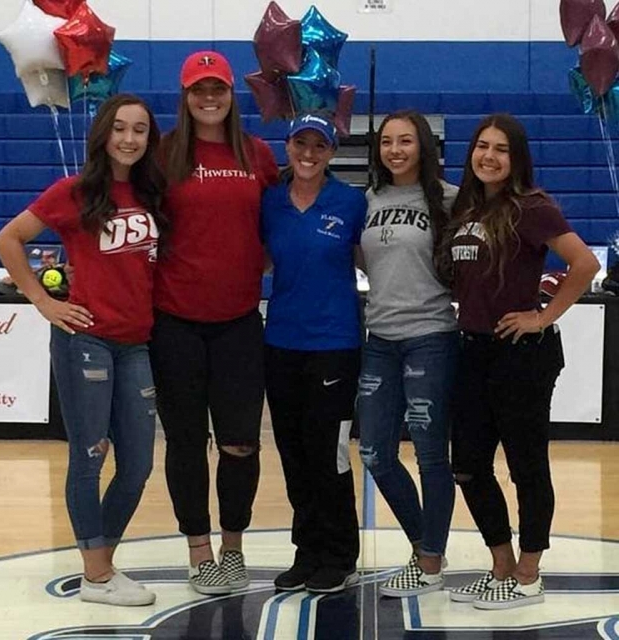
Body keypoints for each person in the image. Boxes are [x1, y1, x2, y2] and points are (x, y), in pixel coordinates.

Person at [0, 94, 168, 606]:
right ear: (103, 135)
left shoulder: (152, 194)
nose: (129, 139)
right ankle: (96, 575)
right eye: (120, 128)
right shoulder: (75, 191)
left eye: (139, 130)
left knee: (136, 464)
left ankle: (102, 563)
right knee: (89, 457)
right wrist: (44, 301)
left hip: (136, 344)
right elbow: (9, 239)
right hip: (85, 340)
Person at [446, 113, 599, 609]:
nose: (489, 156)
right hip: (472, 350)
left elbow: (585, 264)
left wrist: (542, 316)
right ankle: (501, 564)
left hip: (521, 354)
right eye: (482, 146)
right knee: (467, 464)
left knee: (526, 466)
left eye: (501, 149)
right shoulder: (466, 209)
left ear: (516, 159)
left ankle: (529, 572)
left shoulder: (532, 208)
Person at [149, 50, 278, 595]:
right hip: (174, 322)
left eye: (217, 89)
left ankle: (232, 547)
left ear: (231, 94)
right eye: (198, 89)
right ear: (185, 96)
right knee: (184, 442)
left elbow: (278, 227)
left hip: (239, 323)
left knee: (240, 443)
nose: (208, 98)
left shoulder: (257, 154)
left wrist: (245, 264)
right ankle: (198, 550)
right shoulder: (160, 156)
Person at [261, 113, 366, 593]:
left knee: (329, 454)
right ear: (287, 146)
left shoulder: (350, 202)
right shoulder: (270, 203)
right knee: (293, 452)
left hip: (335, 346)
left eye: (318, 145)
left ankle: (339, 553)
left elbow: (376, 262)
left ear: (331, 152)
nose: (308, 153)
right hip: (281, 342)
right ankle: (306, 551)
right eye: (300, 143)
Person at [357, 110, 460, 597]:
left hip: (431, 337)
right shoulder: (369, 200)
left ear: (423, 145)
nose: (395, 150)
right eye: (386, 142)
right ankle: (425, 546)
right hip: (380, 339)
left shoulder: (451, 199)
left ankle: (430, 563)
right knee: (375, 452)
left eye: (405, 141)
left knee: (430, 454)